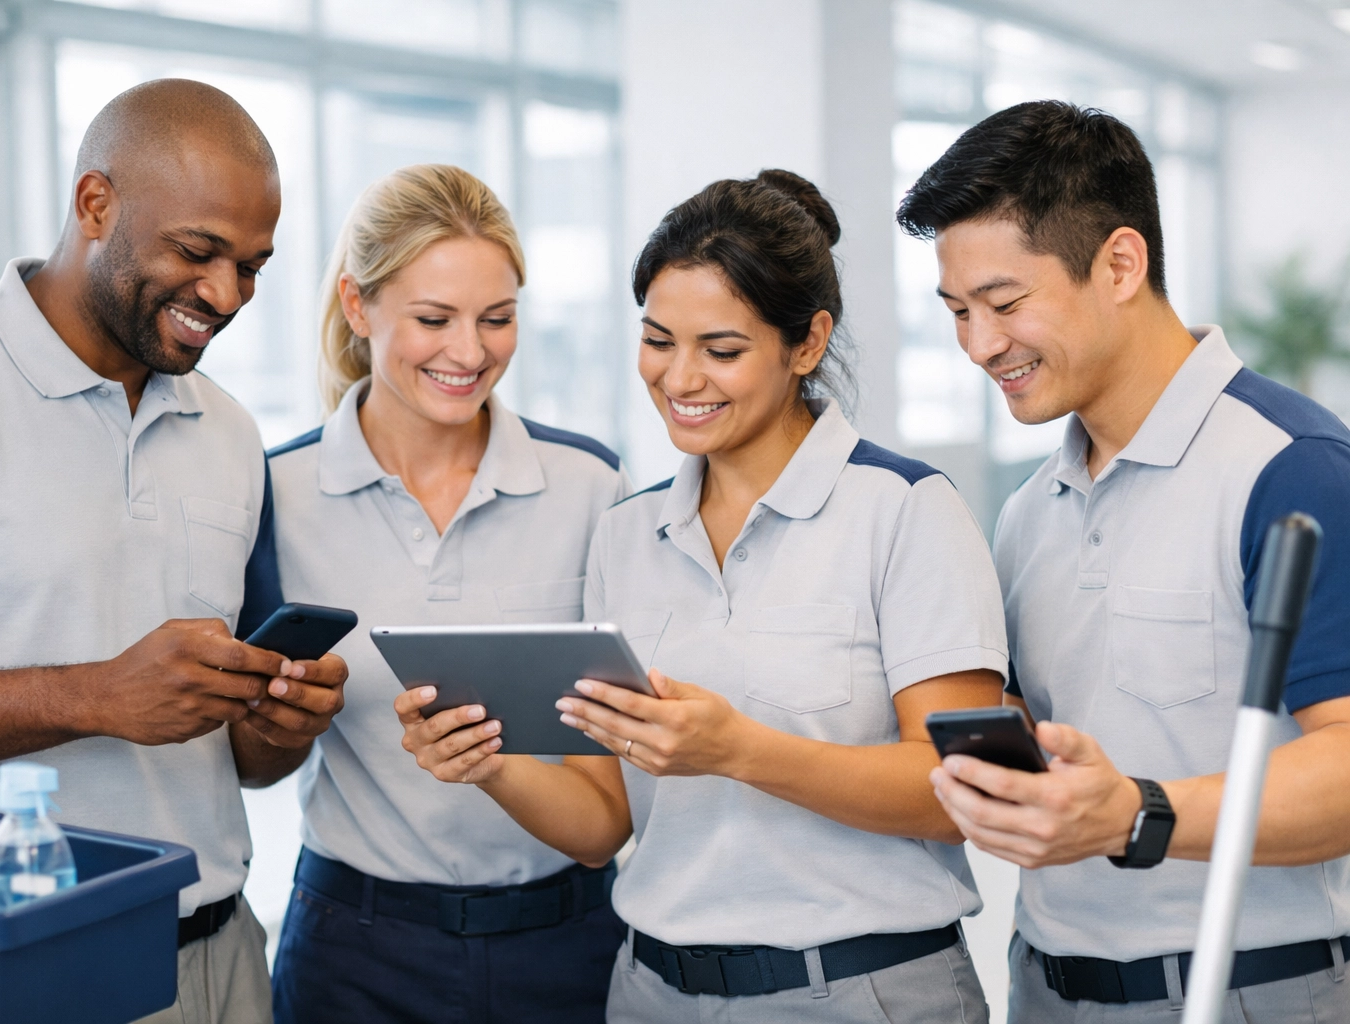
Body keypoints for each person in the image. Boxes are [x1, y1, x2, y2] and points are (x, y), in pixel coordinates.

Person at [400, 168, 1009, 1023]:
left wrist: (738, 750)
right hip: (652, 994)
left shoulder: (906, 511)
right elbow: (603, 818)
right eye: (657, 340)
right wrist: (489, 762)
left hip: (860, 995)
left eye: (722, 350)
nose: (681, 378)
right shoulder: (626, 534)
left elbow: (960, 794)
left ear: (807, 343)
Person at [0, 79, 347, 1024]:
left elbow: (245, 760)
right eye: (197, 251)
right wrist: (92, 695)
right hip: (10, 969)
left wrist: (278, 722)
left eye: (253, 266)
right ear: (94, 203)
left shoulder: (228, 431)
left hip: (220, 959)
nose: (225, 296)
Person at [897, 100, 1350, 1022]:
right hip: (1049, 986)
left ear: (1119, 263)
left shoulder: (1290, 468)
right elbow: (1049, 731)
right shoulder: (1029, 510)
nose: (980, 346)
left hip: (1253, 992)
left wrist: (1137, 814)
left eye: (1005, 304)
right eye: (956, 313)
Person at [264, 163, 631, 1024]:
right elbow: (252, 761)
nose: (470, 353)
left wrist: (492, 763)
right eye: (433, 319)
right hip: (354, 953)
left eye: (497, 319)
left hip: (566, 941)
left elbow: (607, 812)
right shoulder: (277, 493)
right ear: (359, 307)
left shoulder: (589, 487)